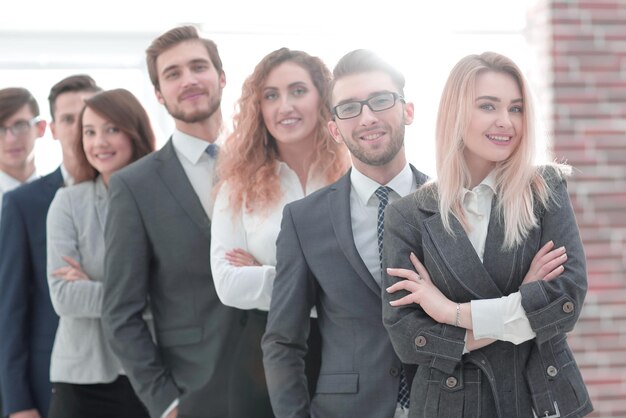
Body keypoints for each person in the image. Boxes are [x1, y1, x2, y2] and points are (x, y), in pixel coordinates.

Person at [382, 52, 593, 417]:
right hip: (450, 403)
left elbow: (564, 302)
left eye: (515, 108)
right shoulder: (408, 214)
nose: (506, 122)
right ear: (456, 113)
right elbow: (408, 339)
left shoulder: (544, 188)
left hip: (538, 396)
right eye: (488, 106)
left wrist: (452, 312)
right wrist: (523, 302)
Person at [262, 49, 428, 418]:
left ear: (408, 110)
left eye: (381, 101)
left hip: (443, 404)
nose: (367, 117)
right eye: (350, 108)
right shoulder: (304, 220)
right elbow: (283, 342)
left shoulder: (454, 204)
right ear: (335, 128)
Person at [101, 26, 244, 418]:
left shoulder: (271, 164)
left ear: (221, 77)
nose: (189, 80)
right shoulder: (135, 186)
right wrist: (165, 401)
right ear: (160, 95)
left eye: (199, 66)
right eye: (173, 73)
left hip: (288, 387)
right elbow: (120, 314)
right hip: (197, 393)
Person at [211, 47, 350, 417]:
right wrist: (325, 280)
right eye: (271, 95)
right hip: (260, 357)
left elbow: (370, 273)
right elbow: (227, 283)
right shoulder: (237, 186)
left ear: (323, 97)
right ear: (259, 108)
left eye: (298, 91)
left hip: (345, 352)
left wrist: (270, 274)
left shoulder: (354, 177)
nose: (284, 105)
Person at [46, 88, 154, 418]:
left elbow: (175, 293)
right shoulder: (68, 202)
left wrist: (91, 284)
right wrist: (137, 298)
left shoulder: (160, 200)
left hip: (150, 373)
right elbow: (64, 295)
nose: (99, 142)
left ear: (134, 132)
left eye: (111, 129)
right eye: (89, 132)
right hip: (81, 378)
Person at [0, 75, 101, 418]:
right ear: (54, 128)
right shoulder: (24, 203)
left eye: (87, 116)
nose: (79, 128)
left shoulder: (128, 192)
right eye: (69, 119)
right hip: (51, 381)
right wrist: (17, 401)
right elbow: (11, 310)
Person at [0, 87, 45, 221]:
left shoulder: (60, 194)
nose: (10, 139)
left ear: (40, 128)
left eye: (20, 125)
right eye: (0, 129)